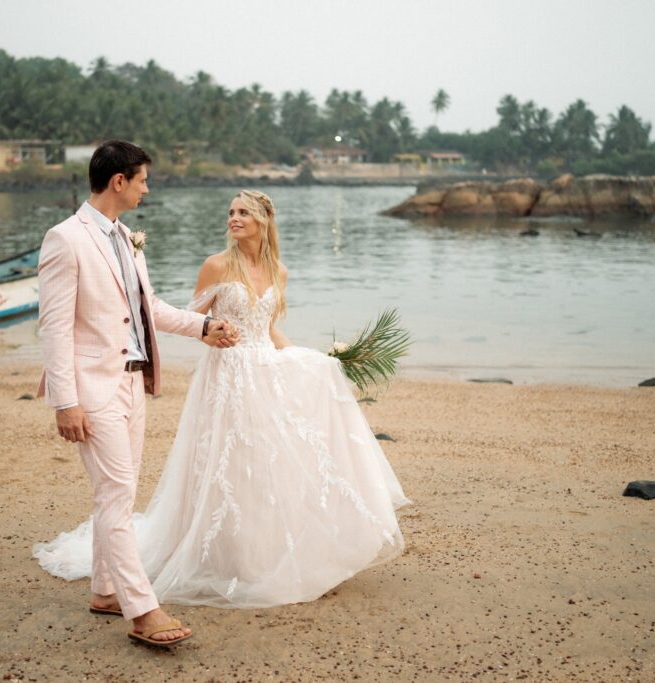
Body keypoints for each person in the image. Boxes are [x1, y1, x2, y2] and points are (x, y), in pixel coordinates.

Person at [36, 189, 409, 610]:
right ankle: (211, 560)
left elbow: (268, 331)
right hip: (227, 378)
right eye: (231, 212)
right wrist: (213, 333)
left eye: (243, 212)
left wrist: (310, 364)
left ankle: (261, 558)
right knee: (227, 465)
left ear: (265, 220)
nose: (233, 218)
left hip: (265, 376)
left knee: (267, 467)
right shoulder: (216, 265)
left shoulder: (279, 272)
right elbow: (188, 320)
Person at [35, 140, 237, 647]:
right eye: (143, 179)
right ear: (119, 181)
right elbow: (54, 328)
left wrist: (204, 325)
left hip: (132, 383)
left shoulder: (126, 238)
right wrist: (66, 402)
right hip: (91, 388)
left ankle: (105, 589)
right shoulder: (65, 239)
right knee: (117, 495)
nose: (148, 188)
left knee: (118, 494)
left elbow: (150, 308)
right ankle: (142, 610)